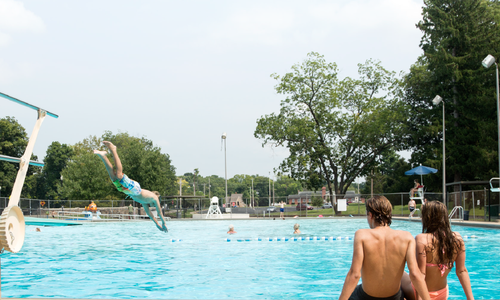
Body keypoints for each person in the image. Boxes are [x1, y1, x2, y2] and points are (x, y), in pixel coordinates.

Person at [339, 195, 430, 300]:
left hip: (366, 297)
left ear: (370, 215)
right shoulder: (406, 237)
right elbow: (415, 274)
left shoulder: (362, 235)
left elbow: (354, 275)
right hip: (394, 297)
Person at [401, 201, 474, 300]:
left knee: (400, 275)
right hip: (443, 294)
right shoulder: (457, 239)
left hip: (423, 294)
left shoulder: (422, 239)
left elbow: (420, 275)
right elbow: (462, 271)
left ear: (427, 218)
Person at [94, 141, 168, 232]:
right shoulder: (154, 198)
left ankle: (103, 156)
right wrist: (163, 223)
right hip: (136, 189)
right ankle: (113, 149)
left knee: (114, 178)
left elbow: (149, 214)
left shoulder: (144, 202)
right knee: (119, 176)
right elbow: (160, 212)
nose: (155, 205)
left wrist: (157, 224)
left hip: (128, 191)